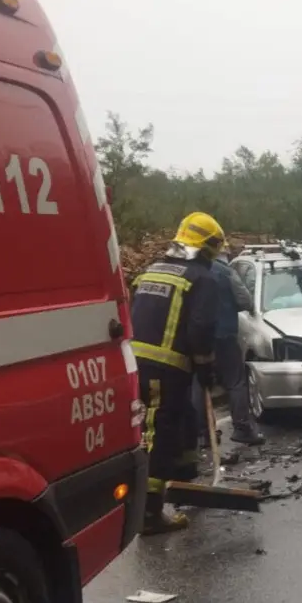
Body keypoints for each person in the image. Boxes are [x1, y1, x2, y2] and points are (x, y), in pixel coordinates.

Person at [129, 212, 224, 535]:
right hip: (164, 368)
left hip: (137, 362)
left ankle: (183, 479)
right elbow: (201, 329)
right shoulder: (203, 279)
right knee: (160, 433)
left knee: (184, 418)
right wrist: (207, 369)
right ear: (209, 247)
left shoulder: (152, 271)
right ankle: (150, 513)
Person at [193, 244, 265, 448]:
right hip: (224, 335)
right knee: (235, 382)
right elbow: (245, 301)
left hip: (198, 337)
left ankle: (203, 434)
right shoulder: (225, 272)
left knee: (199, 384)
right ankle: (242, 428)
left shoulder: (191, 271)